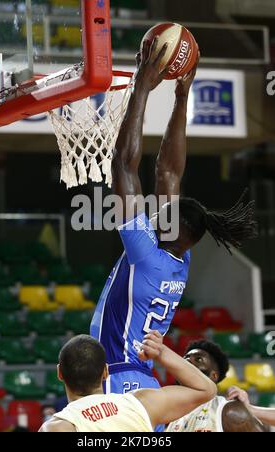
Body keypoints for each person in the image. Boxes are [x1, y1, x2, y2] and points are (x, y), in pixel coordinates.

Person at [90, 38, 257, 420]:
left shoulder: (146, 254)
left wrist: (143, 87)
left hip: (116, 380)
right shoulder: (178, 255)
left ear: (172, 227)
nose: (157, 211)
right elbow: (168, 172)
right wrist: (182, 97)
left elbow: (123, 167)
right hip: (145, 381)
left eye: (164, 213)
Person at [39, 331, 216, 432]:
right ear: (106, 372)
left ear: (60, 373)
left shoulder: (57, 427)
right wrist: (161, 352)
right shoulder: (141, 404)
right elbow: (206, 389)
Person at [166, 340, 265, 432]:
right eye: (185, 358)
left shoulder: (229, 411)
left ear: (214, 376)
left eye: (198, 359)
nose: (187, 361)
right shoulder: (171, 414)